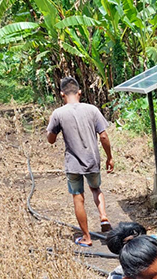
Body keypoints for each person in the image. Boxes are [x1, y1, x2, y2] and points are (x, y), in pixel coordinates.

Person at [46, 76, 114, 247]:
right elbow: (104, 136)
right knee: (96, 189)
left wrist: (53, 127)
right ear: (80, 92)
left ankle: (86, 237)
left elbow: (51, 140)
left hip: (73, 164)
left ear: (62, 94)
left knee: (78, 198)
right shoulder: (92, 110)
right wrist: (109, 157)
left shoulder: (58, 113)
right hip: (92, 160)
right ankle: (103, 216)